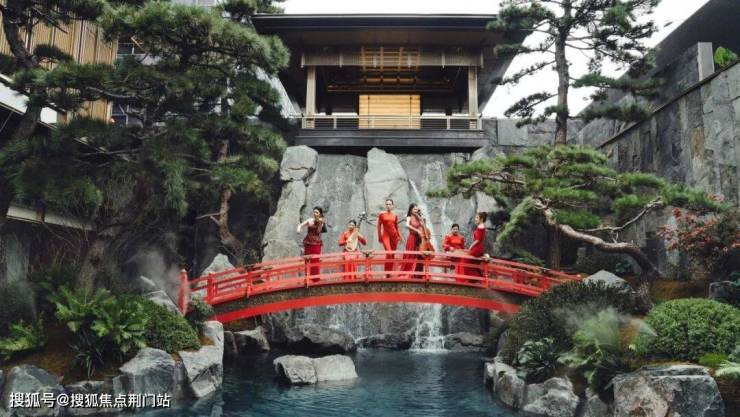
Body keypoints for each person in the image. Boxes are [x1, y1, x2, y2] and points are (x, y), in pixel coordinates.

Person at [297, 207, 326, 278]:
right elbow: (300, 225)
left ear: (320, 214)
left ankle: (315, 278)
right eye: (314, 212)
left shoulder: (321, 222)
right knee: (306, 259)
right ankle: (307, 277)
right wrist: (299, 228)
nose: (315, 213)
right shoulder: (310, 220)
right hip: (308, 242)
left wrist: (320, 223)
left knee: (315, 260)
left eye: (317, 212)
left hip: (316, 243)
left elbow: (318, 231)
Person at [377, 199, 402, 274]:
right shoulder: (382, 214)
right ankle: (386, 272)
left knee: (392, 255)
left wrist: (399, 236)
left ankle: (389, 272)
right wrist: (379, 237)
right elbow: (378, 226)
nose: (388, 205)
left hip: (394, 236)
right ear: (385, 205)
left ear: (392, 205)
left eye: (390, 204)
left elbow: (396, 227)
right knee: (389, 253)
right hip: (385, 236)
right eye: (387, 204)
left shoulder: (395, 216)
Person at [401, 203, 425, 276]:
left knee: (419, 255)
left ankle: (417, 274)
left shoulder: (418, 217)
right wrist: (416, 230)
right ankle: (407, 272)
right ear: (411, 210)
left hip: (419, 238)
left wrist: (420, 216)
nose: (416, 210)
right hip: (412, 237)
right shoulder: (409, 217)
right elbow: (407, 225)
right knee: (410, 254)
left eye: (416, 209)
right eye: (414, 209)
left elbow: (423, 225)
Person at [464, 212, 488, 279]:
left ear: (481, 219)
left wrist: (470, 247)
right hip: (479, 248)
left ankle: (468, 278)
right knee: (474, 263)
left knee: (465, 260)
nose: (475, 219)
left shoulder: (480, 227)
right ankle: (477, 277)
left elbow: (477, 240)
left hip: (477, 249)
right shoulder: (482, 226)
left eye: (477, 218)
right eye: (475, 217)